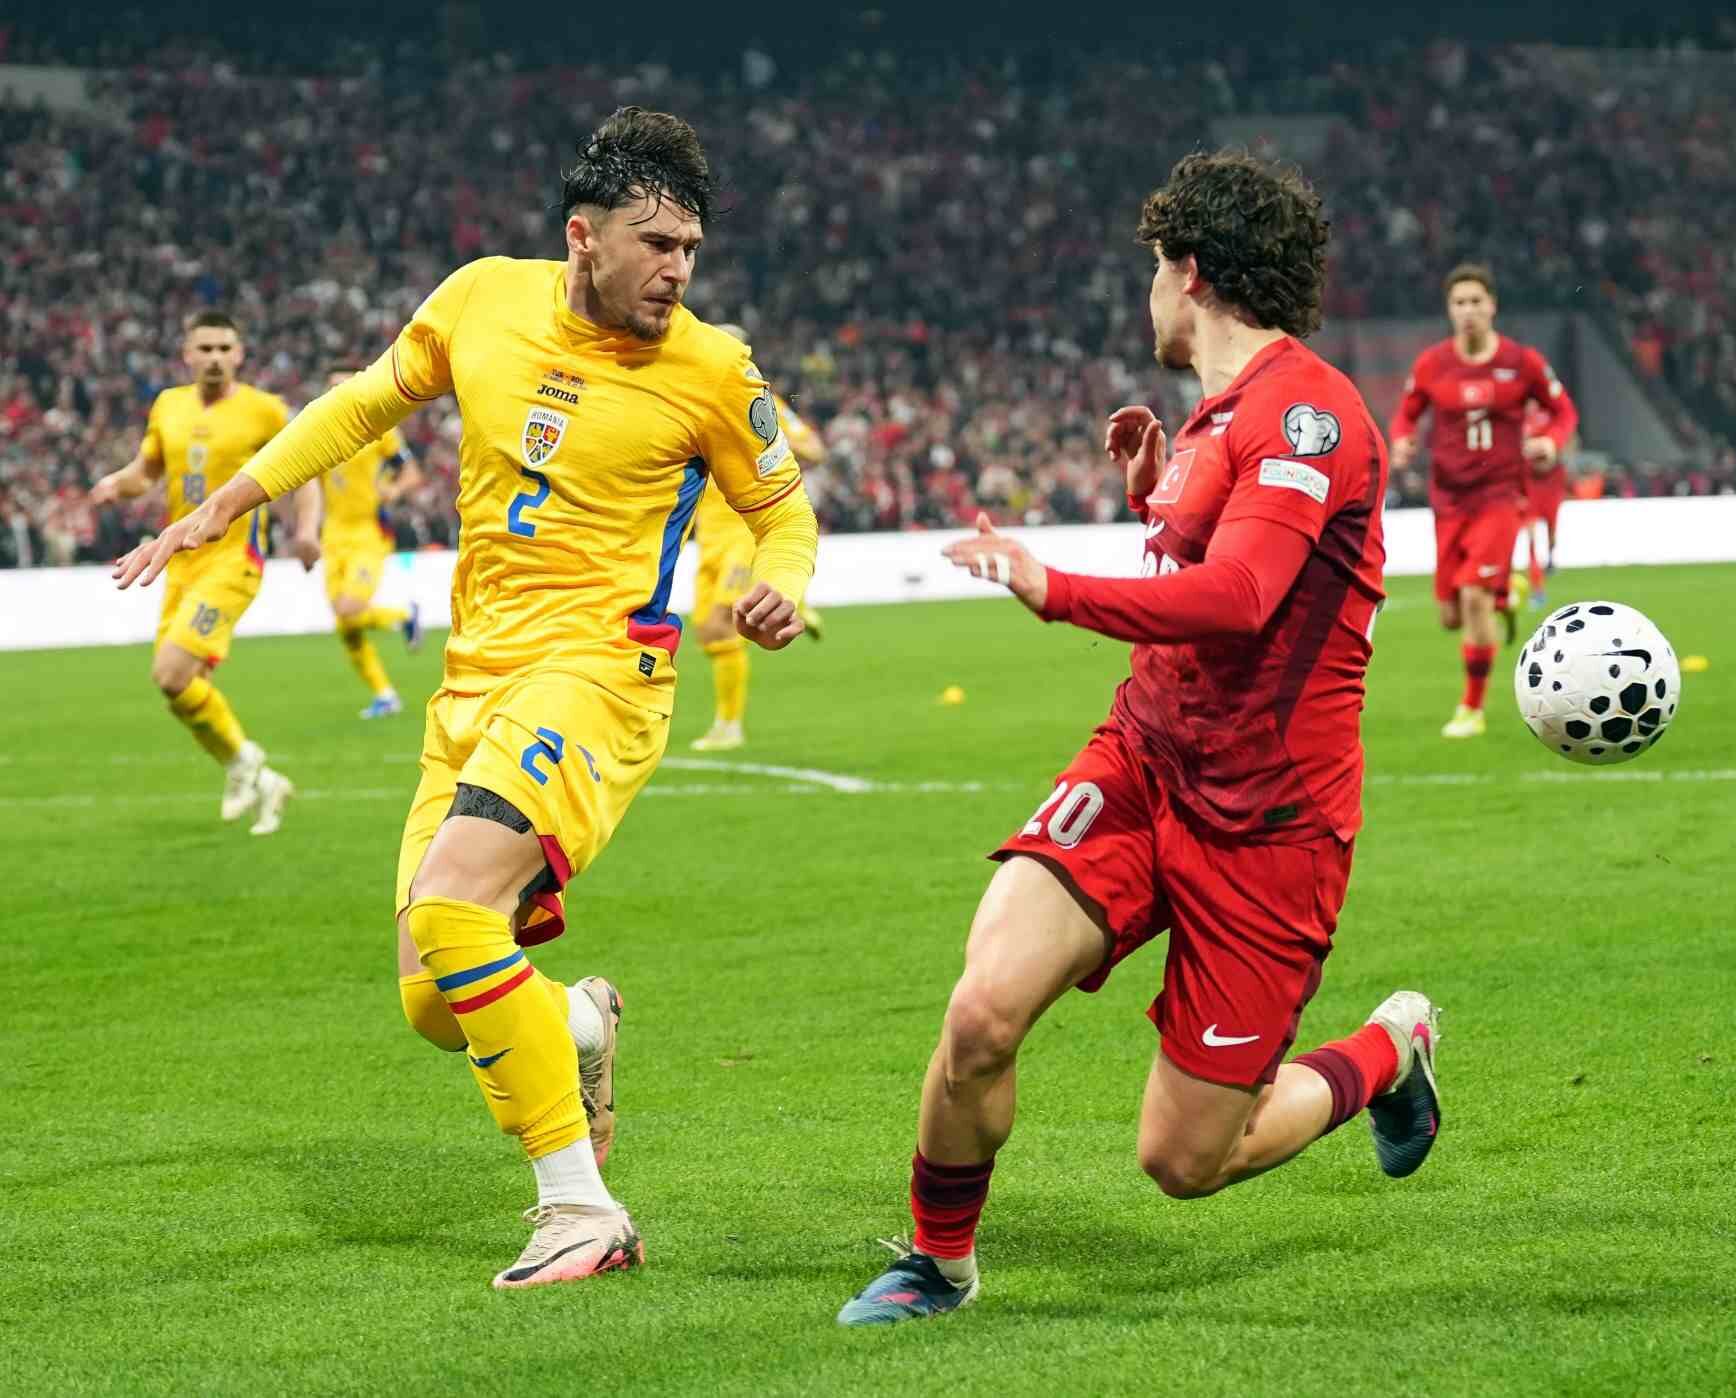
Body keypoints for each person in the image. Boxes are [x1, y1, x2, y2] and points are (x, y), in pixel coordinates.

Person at [114, 107, 819, 1289]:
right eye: (657, 243)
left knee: (452, 908)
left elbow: (784, 513)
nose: (679, 270)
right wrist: (227, 502)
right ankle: (583, 1021)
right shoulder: (484, 297)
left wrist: (783, 586)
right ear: (583, 236)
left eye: (692, 247)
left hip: (601, 673)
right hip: (474, 678)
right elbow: (359, 405)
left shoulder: (711, 368)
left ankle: (581, 1212)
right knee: (435, 1002)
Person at [836, 150, 1441, 1328]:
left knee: (1186, 1158)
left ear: (1191, 271)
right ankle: (938, 1264)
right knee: (981, 1013)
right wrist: (1155, 497)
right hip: (1144, 762)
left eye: (1156, 270)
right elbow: (1213, 564)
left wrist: (1053, 585)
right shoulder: (1217, 417)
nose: (1149, 294)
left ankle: (1389, 1050)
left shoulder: (1308, 415)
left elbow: (1244, 598)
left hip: (1267, 825)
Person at [89, 310, 320, 835]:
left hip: (233, 562)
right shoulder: (168, 406)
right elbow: (146, 472)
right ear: (187, 355)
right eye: (205, 348)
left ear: (239, 355)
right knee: (183, 692)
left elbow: (306, 472)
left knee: (170, 673)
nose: (215, 358)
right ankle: (262, 780)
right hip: (179, 565)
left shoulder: (264, 410)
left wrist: (307, 529)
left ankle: (244, 762)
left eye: (224, 348)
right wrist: (115, 484)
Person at [1388, 264, 1577, 739]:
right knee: (1451, 616)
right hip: (1448, 500)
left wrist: (1551, 442)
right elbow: (1406, 415)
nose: (1468, 311)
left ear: (1492, 305)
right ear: (1449, 310)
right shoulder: (1432, 364)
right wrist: (1403, 440)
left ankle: (1471, 708)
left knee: (1473, 598)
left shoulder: (1521, 362)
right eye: (1459, 303)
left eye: (1476, 301)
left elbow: (1563, 411)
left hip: (1499, 494)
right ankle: (1507, 590)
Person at [686, 323, 828, 752]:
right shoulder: (689, 396)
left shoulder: (759, 401)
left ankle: (729, 727)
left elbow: (814, 449)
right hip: (709, 538)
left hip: (742, 534)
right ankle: (797, 603)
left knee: (721, 622)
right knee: (707, 632)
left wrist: (768, 441)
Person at [316, 364, 426, 718]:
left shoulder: (380, 427)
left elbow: (411, 474)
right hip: (332, 536)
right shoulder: (316, 431)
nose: (339, 392)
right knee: (345, 626)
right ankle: (385, 695)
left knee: (350, 609)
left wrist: (393, 490)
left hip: (368, 533)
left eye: (345, 385)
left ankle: (404, 616)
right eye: (333, 386)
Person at [1521, 400, 1576, 608]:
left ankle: (1551, 558)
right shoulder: (1520, 420)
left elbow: (1561, 447)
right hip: (1530, 488)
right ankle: (1538, 590)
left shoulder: (1553, 417)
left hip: (1551, 487)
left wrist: (1549, 453)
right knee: (1531, 540)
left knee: (1551, 532)